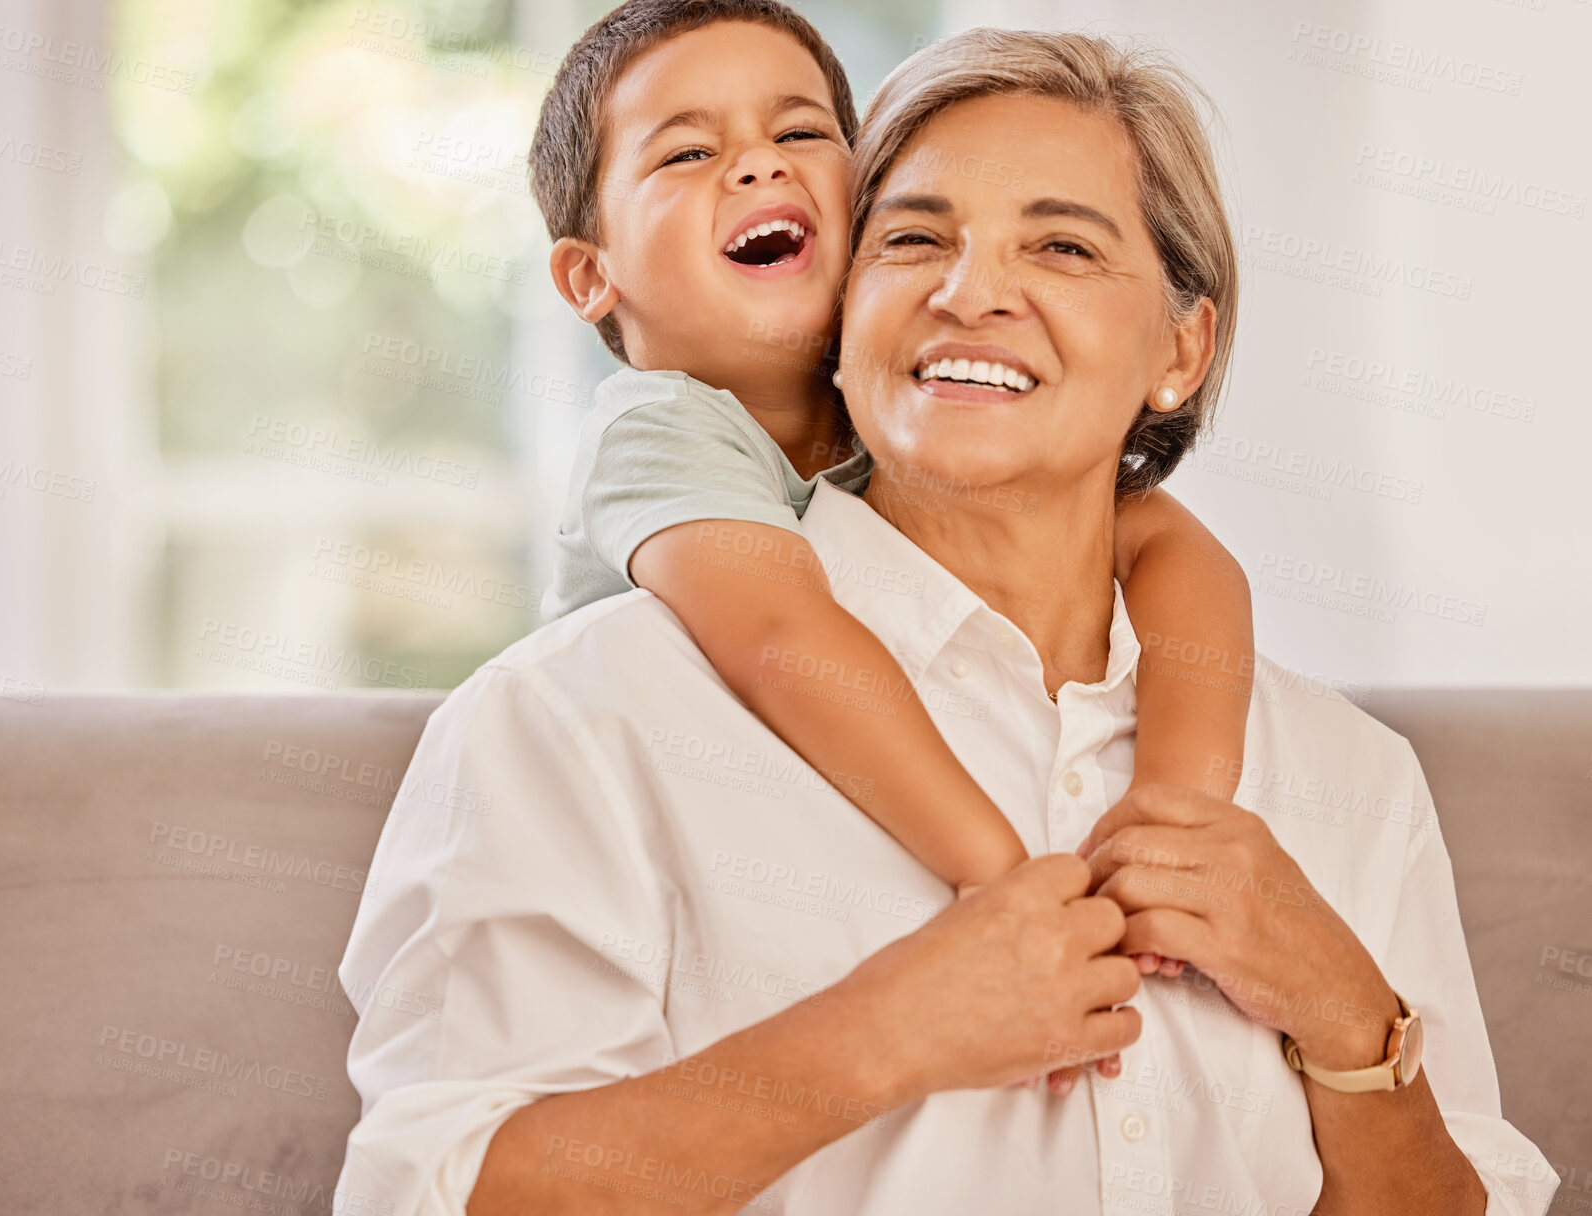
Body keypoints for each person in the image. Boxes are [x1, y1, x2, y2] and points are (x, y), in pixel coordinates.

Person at [334, 25, 1556, 1216]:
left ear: (1181, 349)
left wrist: (1349, 1019)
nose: (975, 294)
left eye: (1064, 248)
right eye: (914, 238)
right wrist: (884, 1034)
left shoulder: (1347, 777)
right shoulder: (577, 720)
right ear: (842, 311)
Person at [529, 0, 1254, 942]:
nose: (759, 162)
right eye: (685, 153)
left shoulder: (904, 416)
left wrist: (1174, 816)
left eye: (799, 130)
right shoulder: (657, 429)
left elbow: (1176, 552)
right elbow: (782, 639)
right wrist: (1005, 875)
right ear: (592, 277)